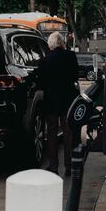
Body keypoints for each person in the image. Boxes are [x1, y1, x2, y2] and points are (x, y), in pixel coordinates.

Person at [34, 31, 79, 175]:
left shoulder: (45, 60)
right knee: (68, 133)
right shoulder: (71, 56)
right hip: (67, 101)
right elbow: (75, 76)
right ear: (61, 42)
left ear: (51, 44)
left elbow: (40, 82)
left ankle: (53, 166)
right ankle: (69, 166)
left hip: (51, 102)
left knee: (52, 134)